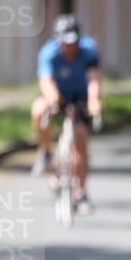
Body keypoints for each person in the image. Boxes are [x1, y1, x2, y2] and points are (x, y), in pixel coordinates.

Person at [31, 15, 102, 215]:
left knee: (80, 138)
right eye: (66, 42)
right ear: (58, 39)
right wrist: (54, 98)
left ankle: (81, 192)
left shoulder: (89, 51)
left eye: (74, 42)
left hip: (79, 96)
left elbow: (94, 78)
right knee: (38, 110)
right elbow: (45, 80)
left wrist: (94, 101)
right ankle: (45, 151)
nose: (70, 47)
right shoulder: (49, 53)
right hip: (56, 95)